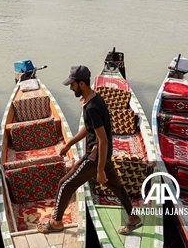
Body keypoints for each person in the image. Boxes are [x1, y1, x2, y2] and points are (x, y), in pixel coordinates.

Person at [37, 65, 141, 235]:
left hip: (95, 157)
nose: (71, 88)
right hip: (104, 155)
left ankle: (56, 222)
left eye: (73, 84)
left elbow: (103, 139)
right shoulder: (95, 99)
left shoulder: (92, 107)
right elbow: (89, 128)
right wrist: (69, 144)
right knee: (115, 186)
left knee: (65, 184)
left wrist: (99, 170)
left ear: (82, 84)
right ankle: (133, 217)